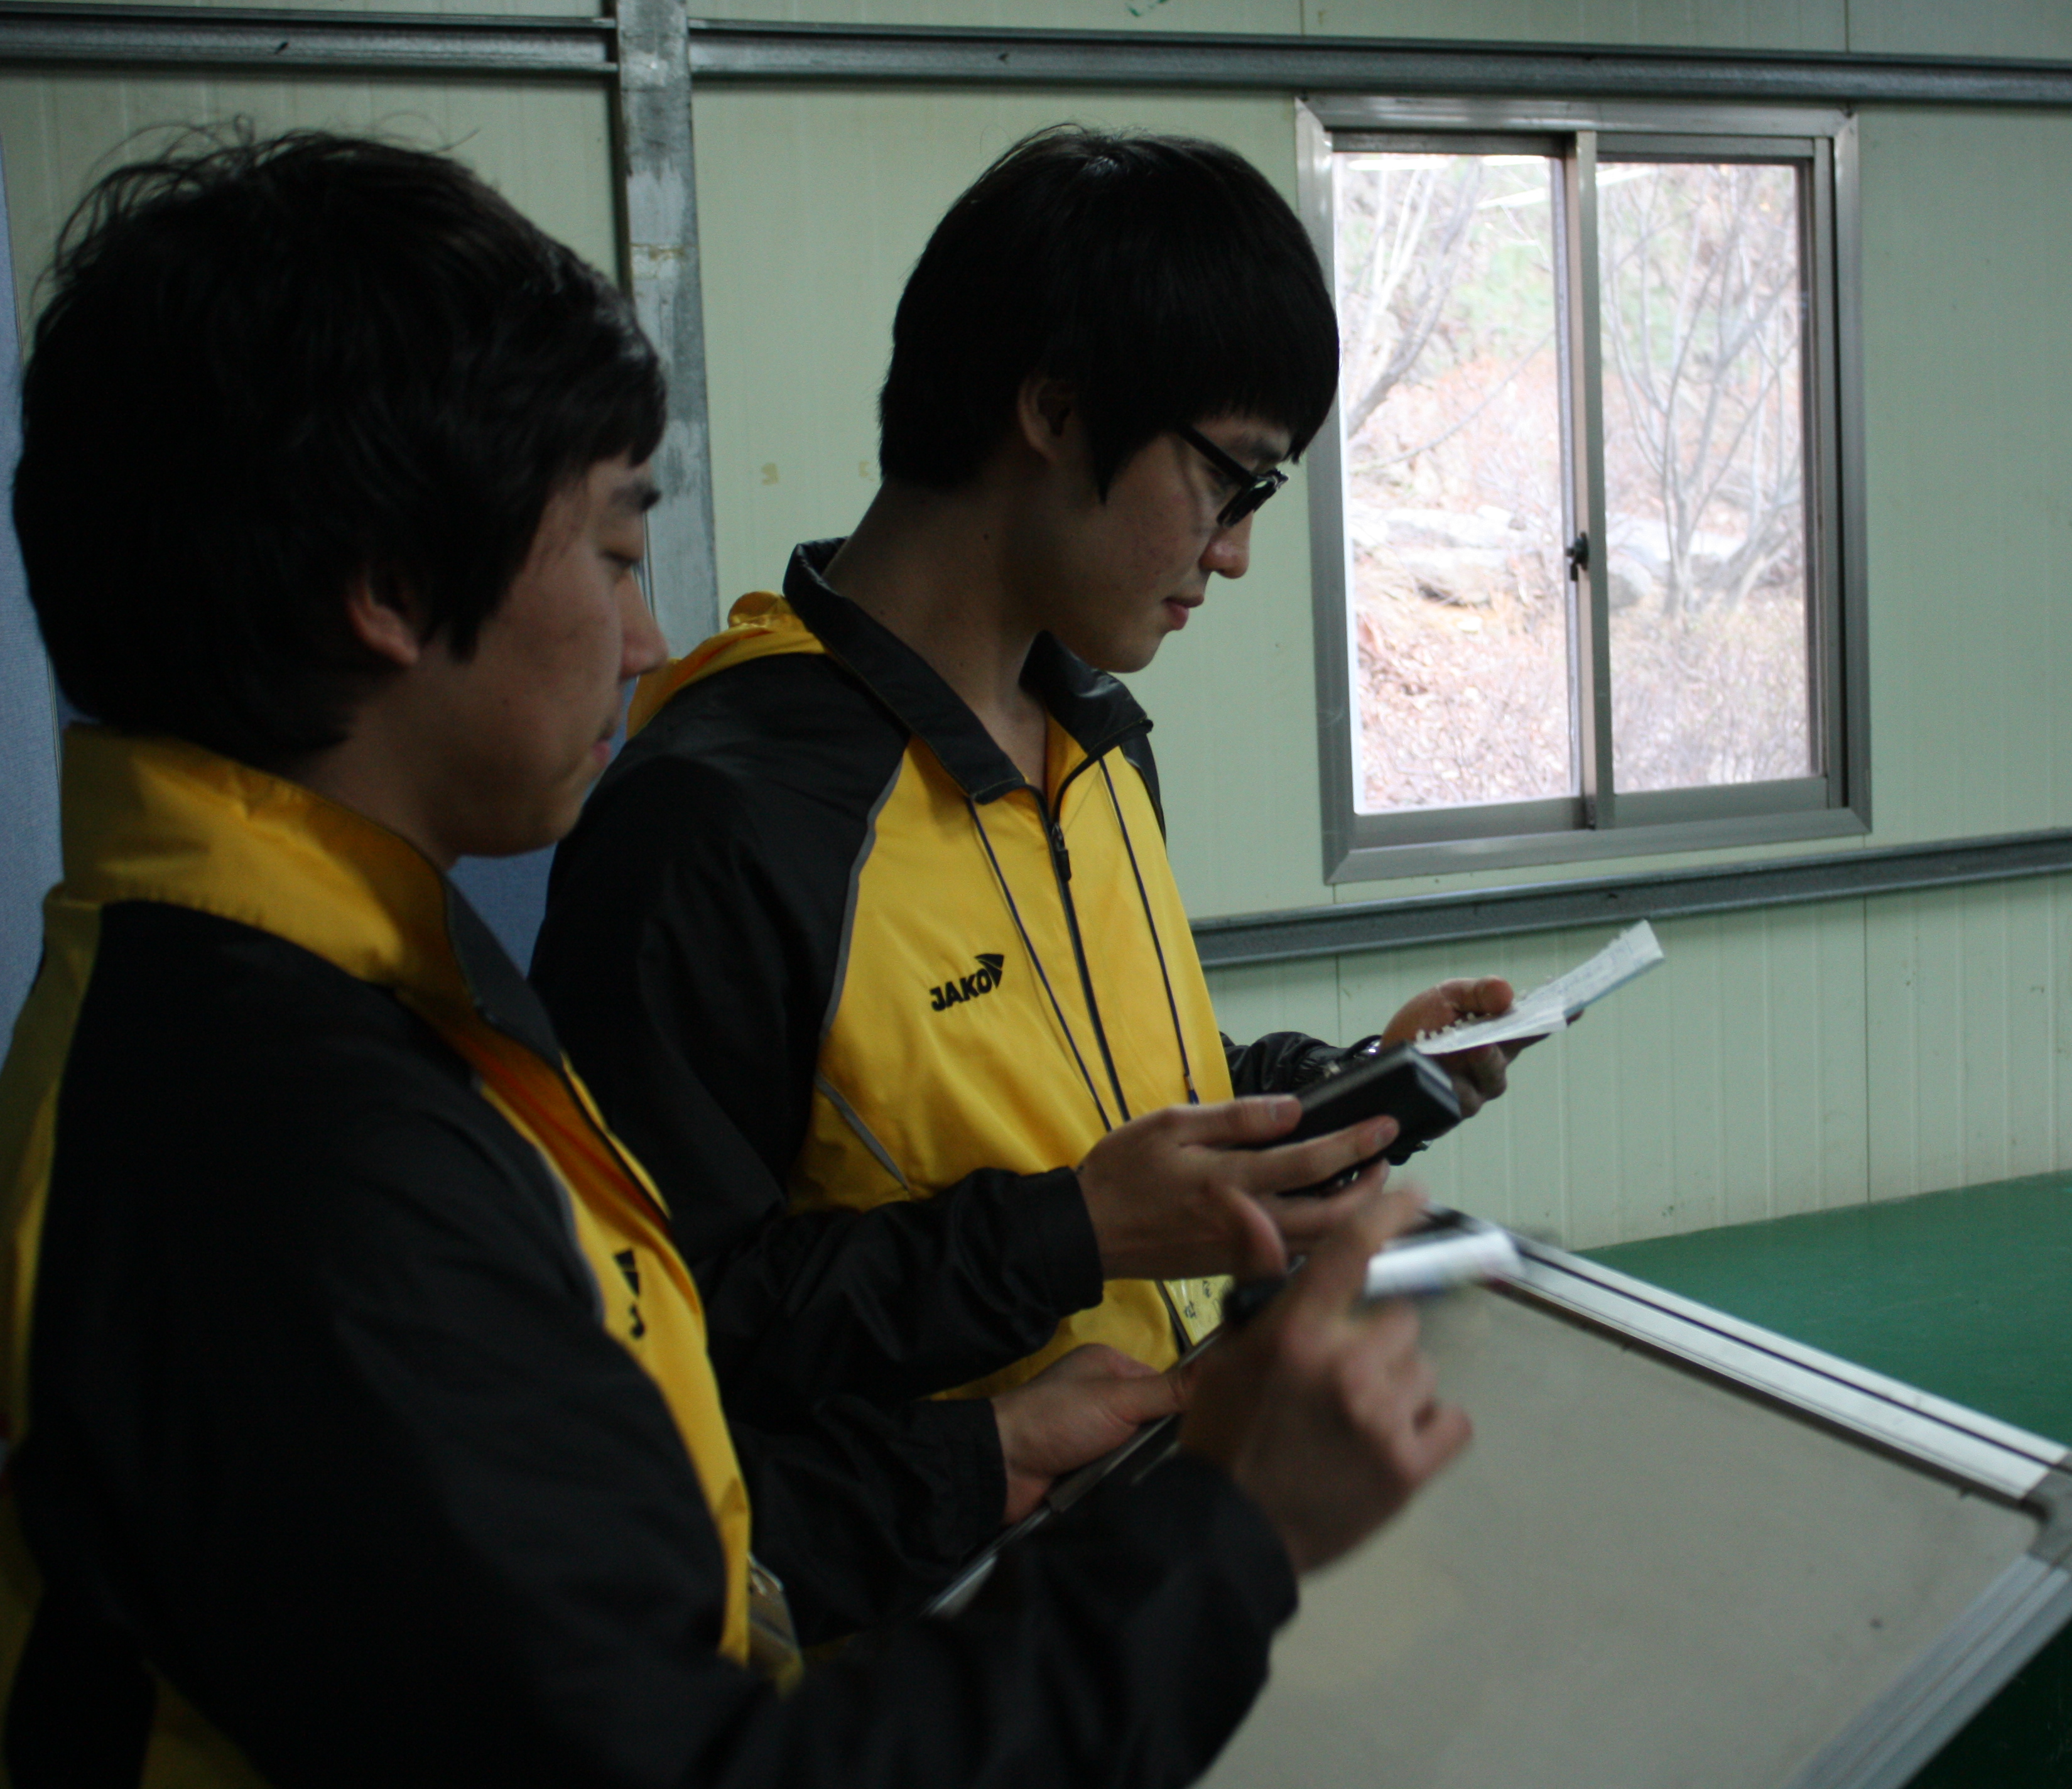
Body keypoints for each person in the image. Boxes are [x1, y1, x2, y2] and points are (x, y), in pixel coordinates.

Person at [0, 128, 1468, 1783]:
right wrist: (1228, 1525)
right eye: (616, 553)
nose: (645, 642)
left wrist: (971, 1455)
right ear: (395, 590)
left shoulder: (348, 1005)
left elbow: (606, 1502)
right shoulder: (287, 1154)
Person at [531, 131, 1529, 1561]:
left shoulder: (1095, 743)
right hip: (923, 1616)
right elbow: (670, 1329)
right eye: (1232, 481)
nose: (1235, 551)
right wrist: (1068, 1237)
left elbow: (1106, 1096)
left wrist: (1348, 1089)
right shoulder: (719, 819)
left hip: (1152, 1537)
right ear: (1057, 410)